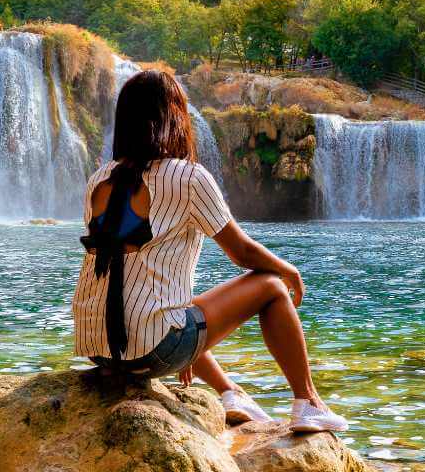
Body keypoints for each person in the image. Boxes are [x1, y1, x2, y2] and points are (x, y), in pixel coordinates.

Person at [72, 70, 347, 433]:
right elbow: (243, 252)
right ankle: (308, 402)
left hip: (98, 347)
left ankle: (231, 392)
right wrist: (288, 269)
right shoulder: (187, 177)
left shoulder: (100, 178)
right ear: (175, 116)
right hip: (151, 349)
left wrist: (188, 331)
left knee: (182, 306)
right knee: (270, 285)